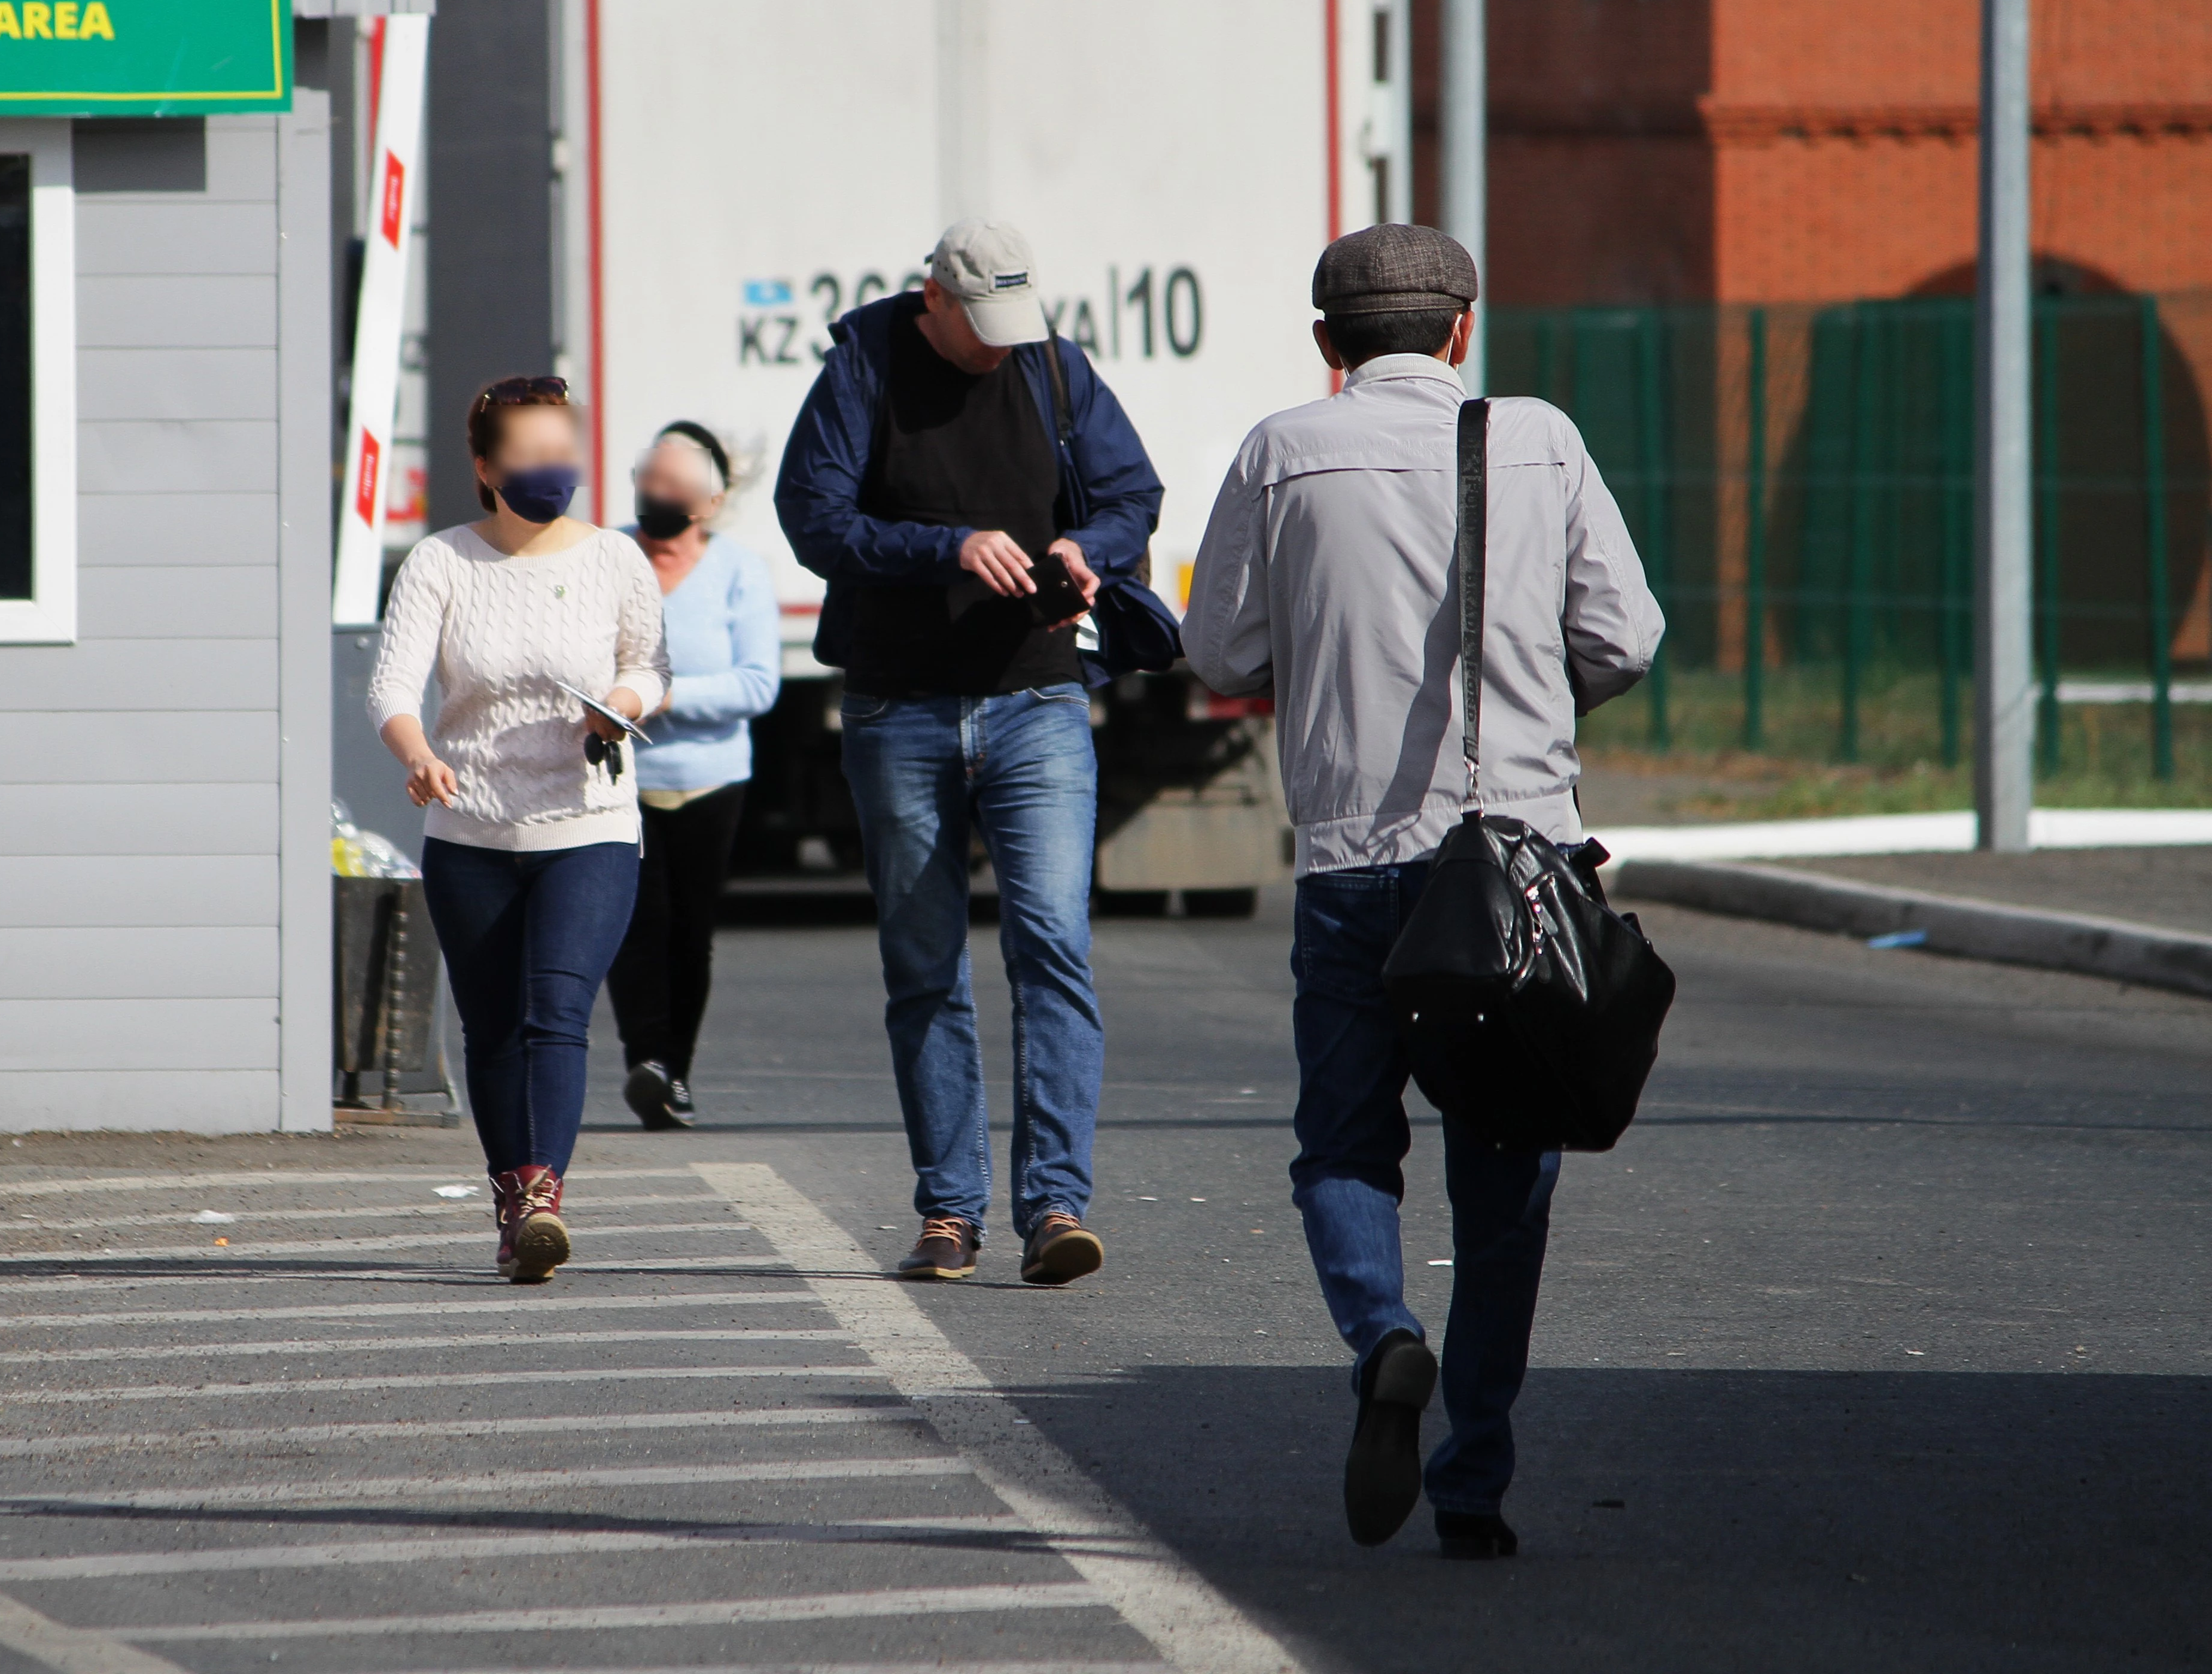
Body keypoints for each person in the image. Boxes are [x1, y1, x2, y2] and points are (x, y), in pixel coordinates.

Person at [1177, 224, 1663, 1558]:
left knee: (1342, 1140)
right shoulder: (1541, 439)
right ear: (1462, 330)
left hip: (1353, 861)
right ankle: (1475, 1483)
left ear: (1327, 345)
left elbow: (1218, 645)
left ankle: (1384, 1335)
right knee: (1506, 1169)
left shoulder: (1282, 451)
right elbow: (1625, 633)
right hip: (1519, 863)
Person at [775, 221, 1163, 1287]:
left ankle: (1053, 1205)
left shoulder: (1051, 366)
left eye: (1011, 326)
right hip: (897, 707)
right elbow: (810, 518)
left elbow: (1135, 495)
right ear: (928, 301)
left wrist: (1089, 548)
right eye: (977, 326)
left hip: (1034, 697)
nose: (996, 347)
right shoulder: (861, 364)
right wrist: (943, 546)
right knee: (923, 963)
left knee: (1051, 945)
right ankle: (947, 1210)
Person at [369, 376, 670, 1283]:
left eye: (562, 455)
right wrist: (417, 753)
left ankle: (542, 1194)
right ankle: (513, 1201)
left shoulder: (616, 558)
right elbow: (392, 687)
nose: (552, 472)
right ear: (486, 467)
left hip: (592, 822)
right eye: (531, 458)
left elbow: (650, 667)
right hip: (471, 833)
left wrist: (620, 704)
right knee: (492, 1024)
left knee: (556, 1013)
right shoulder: (442, 562)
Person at [610, 421, 781, 1129]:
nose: (655, 496)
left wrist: (667, 695)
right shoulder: (609, 556)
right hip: (624, 776)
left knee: (691, 930)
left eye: (672, 487)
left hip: (712, 781)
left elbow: (758, 684)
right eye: (647, 481)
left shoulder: (739, 571)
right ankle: (645, 1060)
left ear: (707, 503)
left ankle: (674, 1072)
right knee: (632, 924)